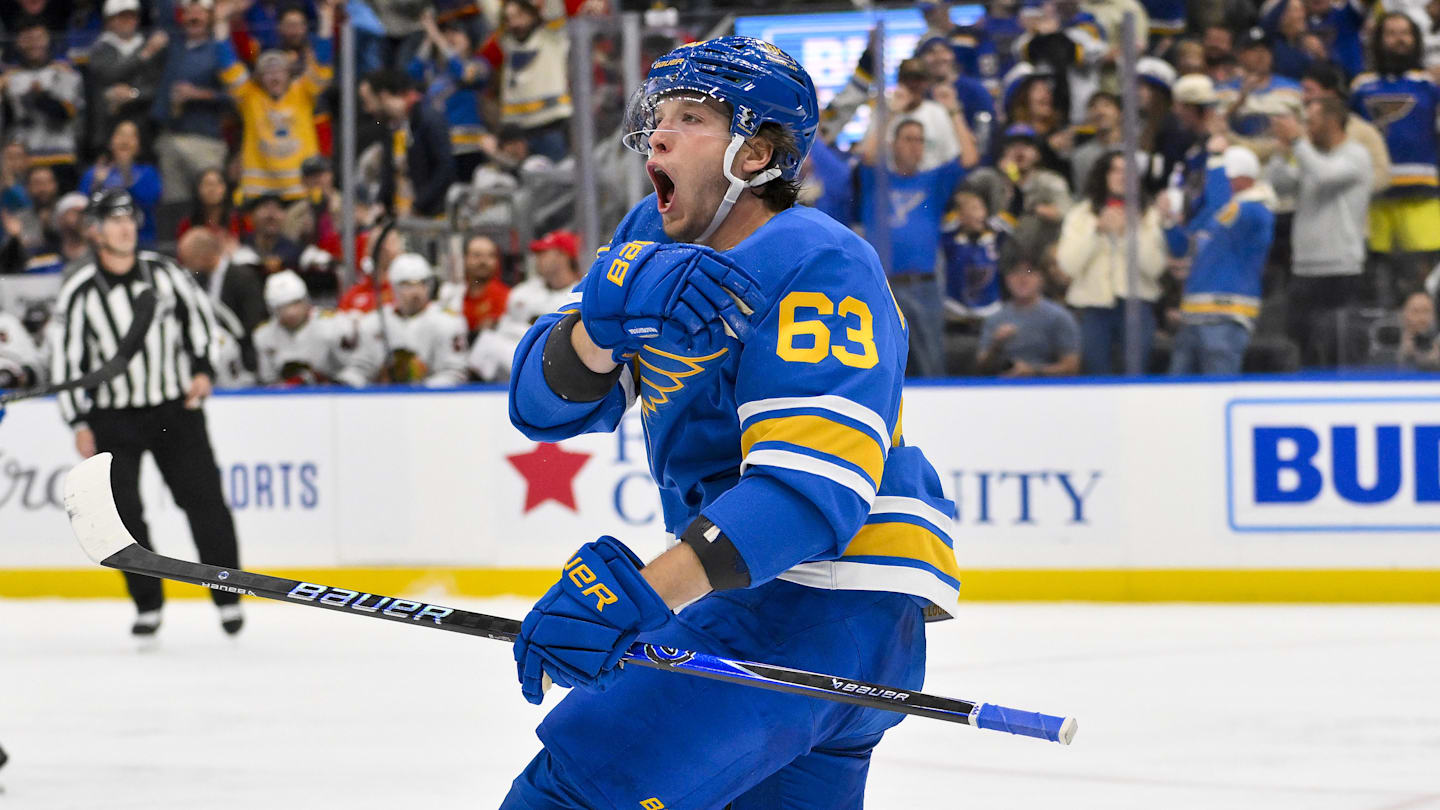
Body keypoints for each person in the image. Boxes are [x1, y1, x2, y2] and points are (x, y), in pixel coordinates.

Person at [501, 36, 959, 807]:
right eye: (660, 116)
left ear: (755, 154)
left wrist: (643, 594)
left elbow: (806, 494)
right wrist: (598, 328)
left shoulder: (817, 257)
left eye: (692, 118)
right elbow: (539, 408)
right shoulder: (647, 239)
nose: (660, 135)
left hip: (809, 598)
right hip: (796, 607)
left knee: (576, 792)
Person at [51, 189, 243, 639]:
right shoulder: (79, 291)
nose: (125, 228)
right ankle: (147, 601)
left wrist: (203, 369)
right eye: (114, 220)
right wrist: (77, 420)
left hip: (174, 409)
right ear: (95, 230)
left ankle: (228, 593)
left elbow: (201, 323)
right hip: (113, 418)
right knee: (122, 516)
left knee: (205, 502)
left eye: (130, 219)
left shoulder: (165, 273)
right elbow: (66, 360)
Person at [855, 115, 969, 377]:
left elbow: (969, 158)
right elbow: (868, 155)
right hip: (882, 284)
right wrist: (889, 113)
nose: (915, 146)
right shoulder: (877, 179)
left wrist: (953, 111)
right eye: (908, 139)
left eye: (920, 140)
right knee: (880, 361)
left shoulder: (933, 180)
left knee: (932, 361)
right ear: (893, 144)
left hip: (924, 285)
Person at [1265, 96, 1372, 367]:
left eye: (1311, 121)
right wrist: (1281, 151)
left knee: (1338, 348)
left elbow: (1325, 176)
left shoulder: (1356, 155)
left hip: (1340, 268)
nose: (1306, 128)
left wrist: (1297, 142)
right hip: (1304, 267)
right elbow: (1280, 186)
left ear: (1332, 121)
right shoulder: (1309, 155)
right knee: (1301, 346)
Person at [1165, 145, 1277, 375]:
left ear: (1240, 179)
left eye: (1219, 178)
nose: (1210, 183)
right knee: (1176, 392)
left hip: (1226, 317)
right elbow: (1182, 247)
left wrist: (1216, 160)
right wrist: (1169, 220)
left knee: (1218, 389)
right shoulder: (1213, 214)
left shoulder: (1255, 211)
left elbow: (1223, 210)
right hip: (1192, 316)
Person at [1352, 13, 1440, 305]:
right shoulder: (1361, 86)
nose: (1398, 39)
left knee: (1426, 277)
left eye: (1404, 33)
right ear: (1378, 40)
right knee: (1379, 277)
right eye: (1391, 33)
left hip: (1423, 195)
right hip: (1376, 196)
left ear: (1416, 39)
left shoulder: (1429, 84)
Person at [1055, 150, 1168, 374]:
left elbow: (1155, 267)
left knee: (1135, 375)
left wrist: (1127, 235)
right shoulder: (1081, 214)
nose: (1122, 176)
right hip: (1093, 308)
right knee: (1095, 376)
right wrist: (1097, 231)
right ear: (1103, 175)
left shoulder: (1149, 215)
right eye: (1115, 170)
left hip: (1137, 306)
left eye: (1128, 171)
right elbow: (1068, 265)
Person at [214, 0, 336, 201]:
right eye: (268, 72)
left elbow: (322, 65)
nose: (274, 77)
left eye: (279, 71)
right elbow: (227, 65)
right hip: (259, 194)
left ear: (289, 74)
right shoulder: (250, 95)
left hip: (300, 193)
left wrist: (326, 20)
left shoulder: (303, 92)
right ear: (260, 77)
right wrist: (219, 23)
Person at [467, 229, 581, 381]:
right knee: (487, 341)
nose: (537, 258)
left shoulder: (580, 297)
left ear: (562, 256)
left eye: (544, 253)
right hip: (515, 363)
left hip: (558, 368)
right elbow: (504, 332)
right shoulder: (522, 293)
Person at [349, 253, 468, 386]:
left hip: (432, 396)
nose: (416, 292)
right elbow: (359, 369)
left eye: (422, 283)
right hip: (381, 395)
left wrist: (420, 390)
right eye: (407, 285)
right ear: (394, 286)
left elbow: (455, 372)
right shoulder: (373, 323)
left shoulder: (448, 322)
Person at [1, 17, 84, 188]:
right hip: (22, 160)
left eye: (38, 37)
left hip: (60, 156)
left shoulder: (65, 71)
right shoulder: (9, 78)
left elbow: (65, 114)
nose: (33, 44)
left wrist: (40, 97)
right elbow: (8, 121)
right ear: (18, 42)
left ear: (48, 39)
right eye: (27, 38)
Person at [976, 248, 1081, 377]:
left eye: (1029, 272)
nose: (1022, 279)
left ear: (1042, 278)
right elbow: (982, 367)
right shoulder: (995, 318)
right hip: (1003, 385)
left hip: (1047, 386)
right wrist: (996, 344)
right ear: (1006, 278)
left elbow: (1071, 367)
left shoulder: (1059, 317)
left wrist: (1033, 371)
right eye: (1015, 272)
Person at [368, 68, 457, 219]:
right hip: (403, 212)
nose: (369, 109)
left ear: (384, 96)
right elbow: (390, 170)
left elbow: (445, 167)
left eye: (371, 102)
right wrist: (381, 202)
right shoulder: (394, 125)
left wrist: (419, 204)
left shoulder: (428, 119)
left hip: (430, 214)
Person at [252, 269, 365, 386]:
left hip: (333, 391)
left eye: (295, 303)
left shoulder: (333, 324)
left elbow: (354, 368)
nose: (291, 312)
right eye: (282, 307)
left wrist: (333, 384)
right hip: (287, 394)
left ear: (306, 300)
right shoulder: (263, 335)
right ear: (272, 310)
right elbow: (267, 381)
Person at [79, 120, 163, 248]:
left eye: (132, 136)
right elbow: (82, 206)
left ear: (139, 146)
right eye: (120, 134)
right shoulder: (94, 173)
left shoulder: (148, 172)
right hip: (100, 242)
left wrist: (126, 171)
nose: (125, 139)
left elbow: (149, 201)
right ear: (110, 142)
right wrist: (96, 184)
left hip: (141, 240)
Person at [438, 233, 510, 339]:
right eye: (477, 255)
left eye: (490, 256)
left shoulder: (507, 297)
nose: (483, 261)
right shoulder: (451, 295)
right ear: (465, 258)